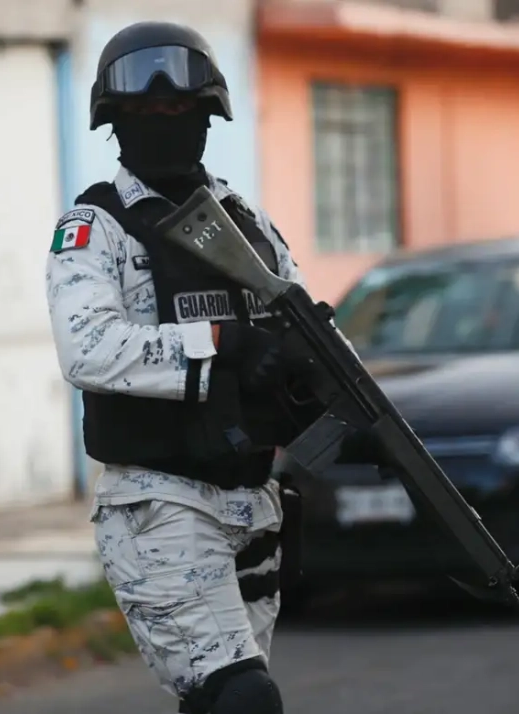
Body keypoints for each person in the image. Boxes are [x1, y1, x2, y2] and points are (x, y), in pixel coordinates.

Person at [44, 21, 312, 714]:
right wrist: (224, 344)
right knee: (243, 699)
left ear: (207, 114)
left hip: (253, 503)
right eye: (146, 110)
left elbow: (301, 328)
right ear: (115, 121)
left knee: (219, 703)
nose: (164, 120)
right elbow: (89, 348)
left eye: (179, 107)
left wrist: (317, 382)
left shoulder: (248, 224)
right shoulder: (94, 229)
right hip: (159, 504)